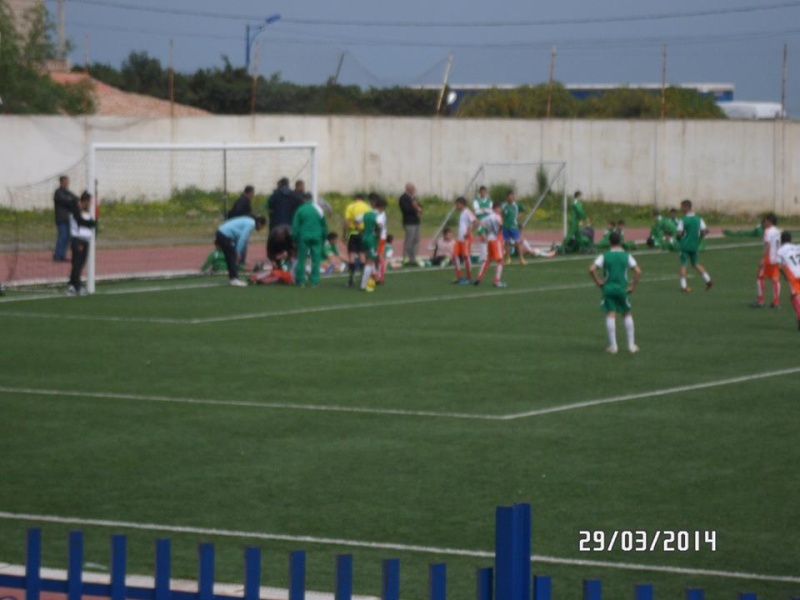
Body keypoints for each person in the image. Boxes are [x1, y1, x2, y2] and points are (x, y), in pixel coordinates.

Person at [589, 231, 642, 354]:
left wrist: (598, 281)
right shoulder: (626, 256)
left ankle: (613, 346)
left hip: (608, 289)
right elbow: (638, 272)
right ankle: (631, 346)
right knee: (626, 314)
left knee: (610, 314)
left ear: (609, 242)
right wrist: (633, 286)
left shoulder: (604, 255)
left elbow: (592, 269)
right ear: (621, 242)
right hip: (622, 289)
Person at [216, 215, 266, 286]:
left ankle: (232, 278)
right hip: (224, 235)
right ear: (260, 223)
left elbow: (238, 237)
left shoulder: (248, 221)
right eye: (262, 227)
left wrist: (237, 250)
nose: (261, 229)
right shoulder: (251, 224)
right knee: (232, 256)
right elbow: (243, 238)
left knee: (230, 257)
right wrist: (238, 251)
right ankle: (234, 279)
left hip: (220, 233)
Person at [676, 199, 713, 293]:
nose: (681, 209)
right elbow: (705, 231)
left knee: (683, 264)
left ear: (686, 207)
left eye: (682, 207)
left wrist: (680, 237)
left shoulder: (683, 220)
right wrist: (699, 236)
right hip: (694, 245)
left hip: (685, 245)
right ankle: (708, 280)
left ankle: (684, 286)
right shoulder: (699, 219)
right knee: (695, 264)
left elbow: (679, 233)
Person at [292, 198, 328, 288]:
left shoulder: (300, 210)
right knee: (316, 259)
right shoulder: (319, 210)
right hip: (317, 236)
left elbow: (295, 225)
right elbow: (324, 225)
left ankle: (301, 281)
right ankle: (314, 281)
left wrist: (295, 238)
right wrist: (324, 237)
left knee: (302, 259)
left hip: (303, 236)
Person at [66, 191, 97, 296]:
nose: (90, 204)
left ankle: (72, 284)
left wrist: (93, 223)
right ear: (85, 201)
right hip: (78, 239)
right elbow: (80, 221)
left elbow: (90, 222)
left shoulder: (86, 211)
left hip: (85, 240)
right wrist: (91, 223)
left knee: (80, 263)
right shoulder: (76, 209)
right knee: (77, 263)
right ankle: (76, 286)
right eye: (89, 201)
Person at [751, 213, 781, 308]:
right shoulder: (777, 231)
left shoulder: (768, 231)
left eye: (766, 220)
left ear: (770, 221)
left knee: (759, 277)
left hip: (769, 258)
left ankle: (760, 300)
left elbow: (768, 245)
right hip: (776, 258)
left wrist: (763, 258)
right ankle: (776, 301)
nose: (764, 222)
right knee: (775, 279)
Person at [474, 202, 506, 288]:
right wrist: (498, 232)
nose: (500, 210)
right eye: (499, 208)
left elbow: (479, 223)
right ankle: (497, 280)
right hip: (496, 240)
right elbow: (501, 225)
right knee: (500, 260)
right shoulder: (497, 216)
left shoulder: (488, 217)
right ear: (495, 209)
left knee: (488, 260)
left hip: (489, 239)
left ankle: (479, 278)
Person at [343, 193, 371, 287]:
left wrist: (344, 234)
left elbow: (347, 222)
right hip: (364, 233)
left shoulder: (351, 206)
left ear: (355, 198)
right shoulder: (368, 207)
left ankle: (351, 278)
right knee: (362, 254)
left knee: (351, 254)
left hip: (353, 233)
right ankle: (363, 278)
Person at [777, 231, 800, 330]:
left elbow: (780, 266)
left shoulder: (780, 251)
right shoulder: (796, 247)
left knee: (795, 297)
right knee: (794, 297)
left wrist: (785, 275)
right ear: (791, 240)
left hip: (793, 275)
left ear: (781, 240)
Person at [53, 175, 79, 262]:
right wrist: (72, 201)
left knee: (68, 237)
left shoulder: (68, 192)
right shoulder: (58, 192)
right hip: (61, 219)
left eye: (68, 181)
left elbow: (76, 198)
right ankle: (57, 255)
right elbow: (66, 201)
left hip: (69, 219)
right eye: (65, 181)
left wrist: (74, 200)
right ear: (61, 182)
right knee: (62, 236)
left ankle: (62, 255)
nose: (67, 183)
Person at [359, 196, 382, 290]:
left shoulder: (366, 214)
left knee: (369, 258)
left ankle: (374, 277)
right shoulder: (378, 216)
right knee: (370, 261)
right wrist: (378, 234)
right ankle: (363, 285)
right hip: (372, 239)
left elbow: (356, 220)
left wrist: (362, 230)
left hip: (364, 237)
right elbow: (379, 225)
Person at [452, 196, 476, 284]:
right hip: (460, 239)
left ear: (461, 204)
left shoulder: (467, 212)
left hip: (466, 239)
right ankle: (459, 276)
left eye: (457, 204)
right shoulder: (462, 213)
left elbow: (475, 222)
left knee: (466, 257)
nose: (456, 206)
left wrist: (469, 233)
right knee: (455, 255)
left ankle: (469, 277)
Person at [398, 182, 423, 266]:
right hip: (409, 222)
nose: (414, 191)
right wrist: (416, 209)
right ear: (408, 189)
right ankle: (406, 257)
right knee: (409, 240)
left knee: (416, 240)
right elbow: (406, 209)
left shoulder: (414, 198)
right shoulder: (403, 198)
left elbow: (420, 206)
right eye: (413, 189)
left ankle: (414, 257)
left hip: (416, 221)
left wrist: (419, 208)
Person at [502, 191, 526, 265]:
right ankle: (508, 258)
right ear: (507, 197)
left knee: (518, 242)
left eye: (513, 196)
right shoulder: (503, 205)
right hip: (505, 226)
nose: (512, 198)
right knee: (507, 243)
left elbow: (524, 211)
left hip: (514, 226)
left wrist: (518, 216)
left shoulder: (516, 205)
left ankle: (521, 258)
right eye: (510, 196)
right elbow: (500, 214)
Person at [472, 186, 493, 263]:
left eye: (485, 191)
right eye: (482, 191)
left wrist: (482, 209)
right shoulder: (476, 201)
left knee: (488, 238)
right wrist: (486, 210)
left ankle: (483, 256)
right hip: (480, 221)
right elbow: (477, 211)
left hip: (488, 221)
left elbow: (491, 211)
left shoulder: (489, 201)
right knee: (483, 237)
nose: (483, 193)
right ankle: (483, 258)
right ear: (480, 192)